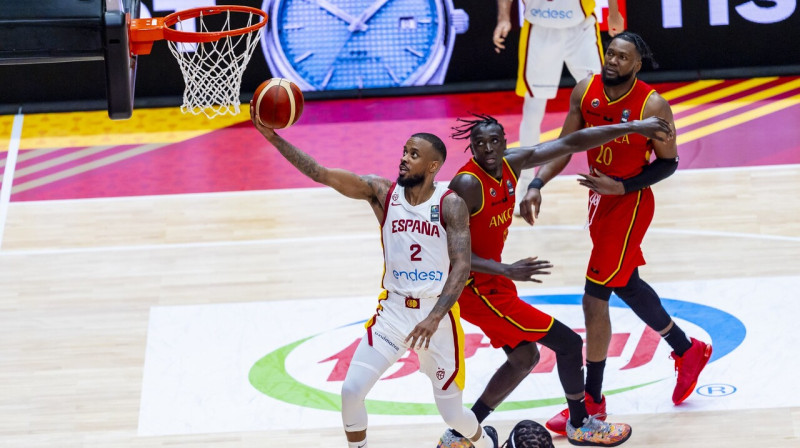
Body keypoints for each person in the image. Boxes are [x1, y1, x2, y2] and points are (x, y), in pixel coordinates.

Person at [250, 106, 500, 448]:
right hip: (394, 314)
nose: (404, 159)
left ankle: (486, 443)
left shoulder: (450, 203)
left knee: (453, 415)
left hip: (436, 320)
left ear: (432, 166)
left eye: (414, 155)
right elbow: (321, 173)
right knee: (351, 390)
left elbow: (462, 267)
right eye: (404, 152)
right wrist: (273, 137)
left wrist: (434, 317)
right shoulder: (382, 192)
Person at [438, 112, 674, 447]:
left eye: (494, 141)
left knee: (525, 358)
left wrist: (633, 127)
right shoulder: (466, 185)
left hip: (492, 281)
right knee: (568, 343)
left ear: (505, 141)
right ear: (471, 148)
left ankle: (459, 432)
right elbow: (451, 253)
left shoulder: (511, 163)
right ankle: (580, 424)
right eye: (479, 144)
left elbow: (571, 142)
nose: (488, 148)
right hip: (473, 287)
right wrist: (506, 269)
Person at [520, 31, 713, 435]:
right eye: (610, 53)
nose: (613, 60)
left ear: (637, 65)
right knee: (626, 282)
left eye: (623, 57)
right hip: (598, 201)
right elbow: (566, 145)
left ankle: (592, 401)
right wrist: (536, 184)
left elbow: (669, 162)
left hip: (630, 202)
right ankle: (687, 350)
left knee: (594, 300)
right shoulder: (585, 90)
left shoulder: (652, 104)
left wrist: (623, 187)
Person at [493, 0, 624, 211]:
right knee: (533, 110)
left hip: (580, 29)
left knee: (602, 102)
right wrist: (504, 18)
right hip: (539, 30)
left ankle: (614, 179)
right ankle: (525, 185)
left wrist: (614, 13)